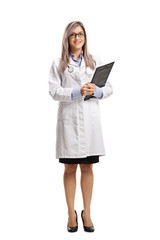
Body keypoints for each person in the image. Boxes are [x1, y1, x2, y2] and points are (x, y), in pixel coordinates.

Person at [48, 21, 113, 232]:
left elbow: (109, 88)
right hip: (69, 122)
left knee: (87, 167)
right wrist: (77, 92)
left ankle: (87, 212)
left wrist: (96, 90)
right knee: (69, 167)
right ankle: (70, 213)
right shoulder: (58, 63)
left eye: (81, 34)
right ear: (67, 38)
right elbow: (54, 91)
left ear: (85, 38)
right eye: (74, 35)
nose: (78, 38)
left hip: (90, 120)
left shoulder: (95, 61)